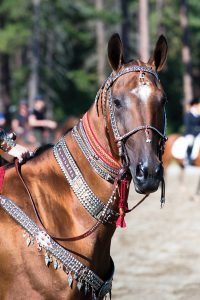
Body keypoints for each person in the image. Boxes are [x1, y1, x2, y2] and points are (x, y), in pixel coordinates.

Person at [184, 98, 200, 165]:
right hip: (190, 133)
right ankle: (188, 158)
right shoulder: (188, 115)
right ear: (193, 106)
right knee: (190, 142)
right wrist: (195, 131)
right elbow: (188, 125)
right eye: (195, 105)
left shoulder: (198, 115)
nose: (197, 106)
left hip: (198, 133)